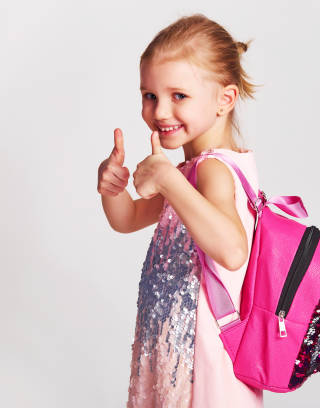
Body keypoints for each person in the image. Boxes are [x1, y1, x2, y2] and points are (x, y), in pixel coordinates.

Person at [96, 13, 264, 407]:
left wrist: (169, 180)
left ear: (225, 99)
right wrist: (112, 188)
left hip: (202, 358)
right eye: (150, 95)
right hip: (174, 347)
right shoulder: (192, 170)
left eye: (179, 96)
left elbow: (232, 249)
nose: (160, 112)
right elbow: (128, 218)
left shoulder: (215, 170)